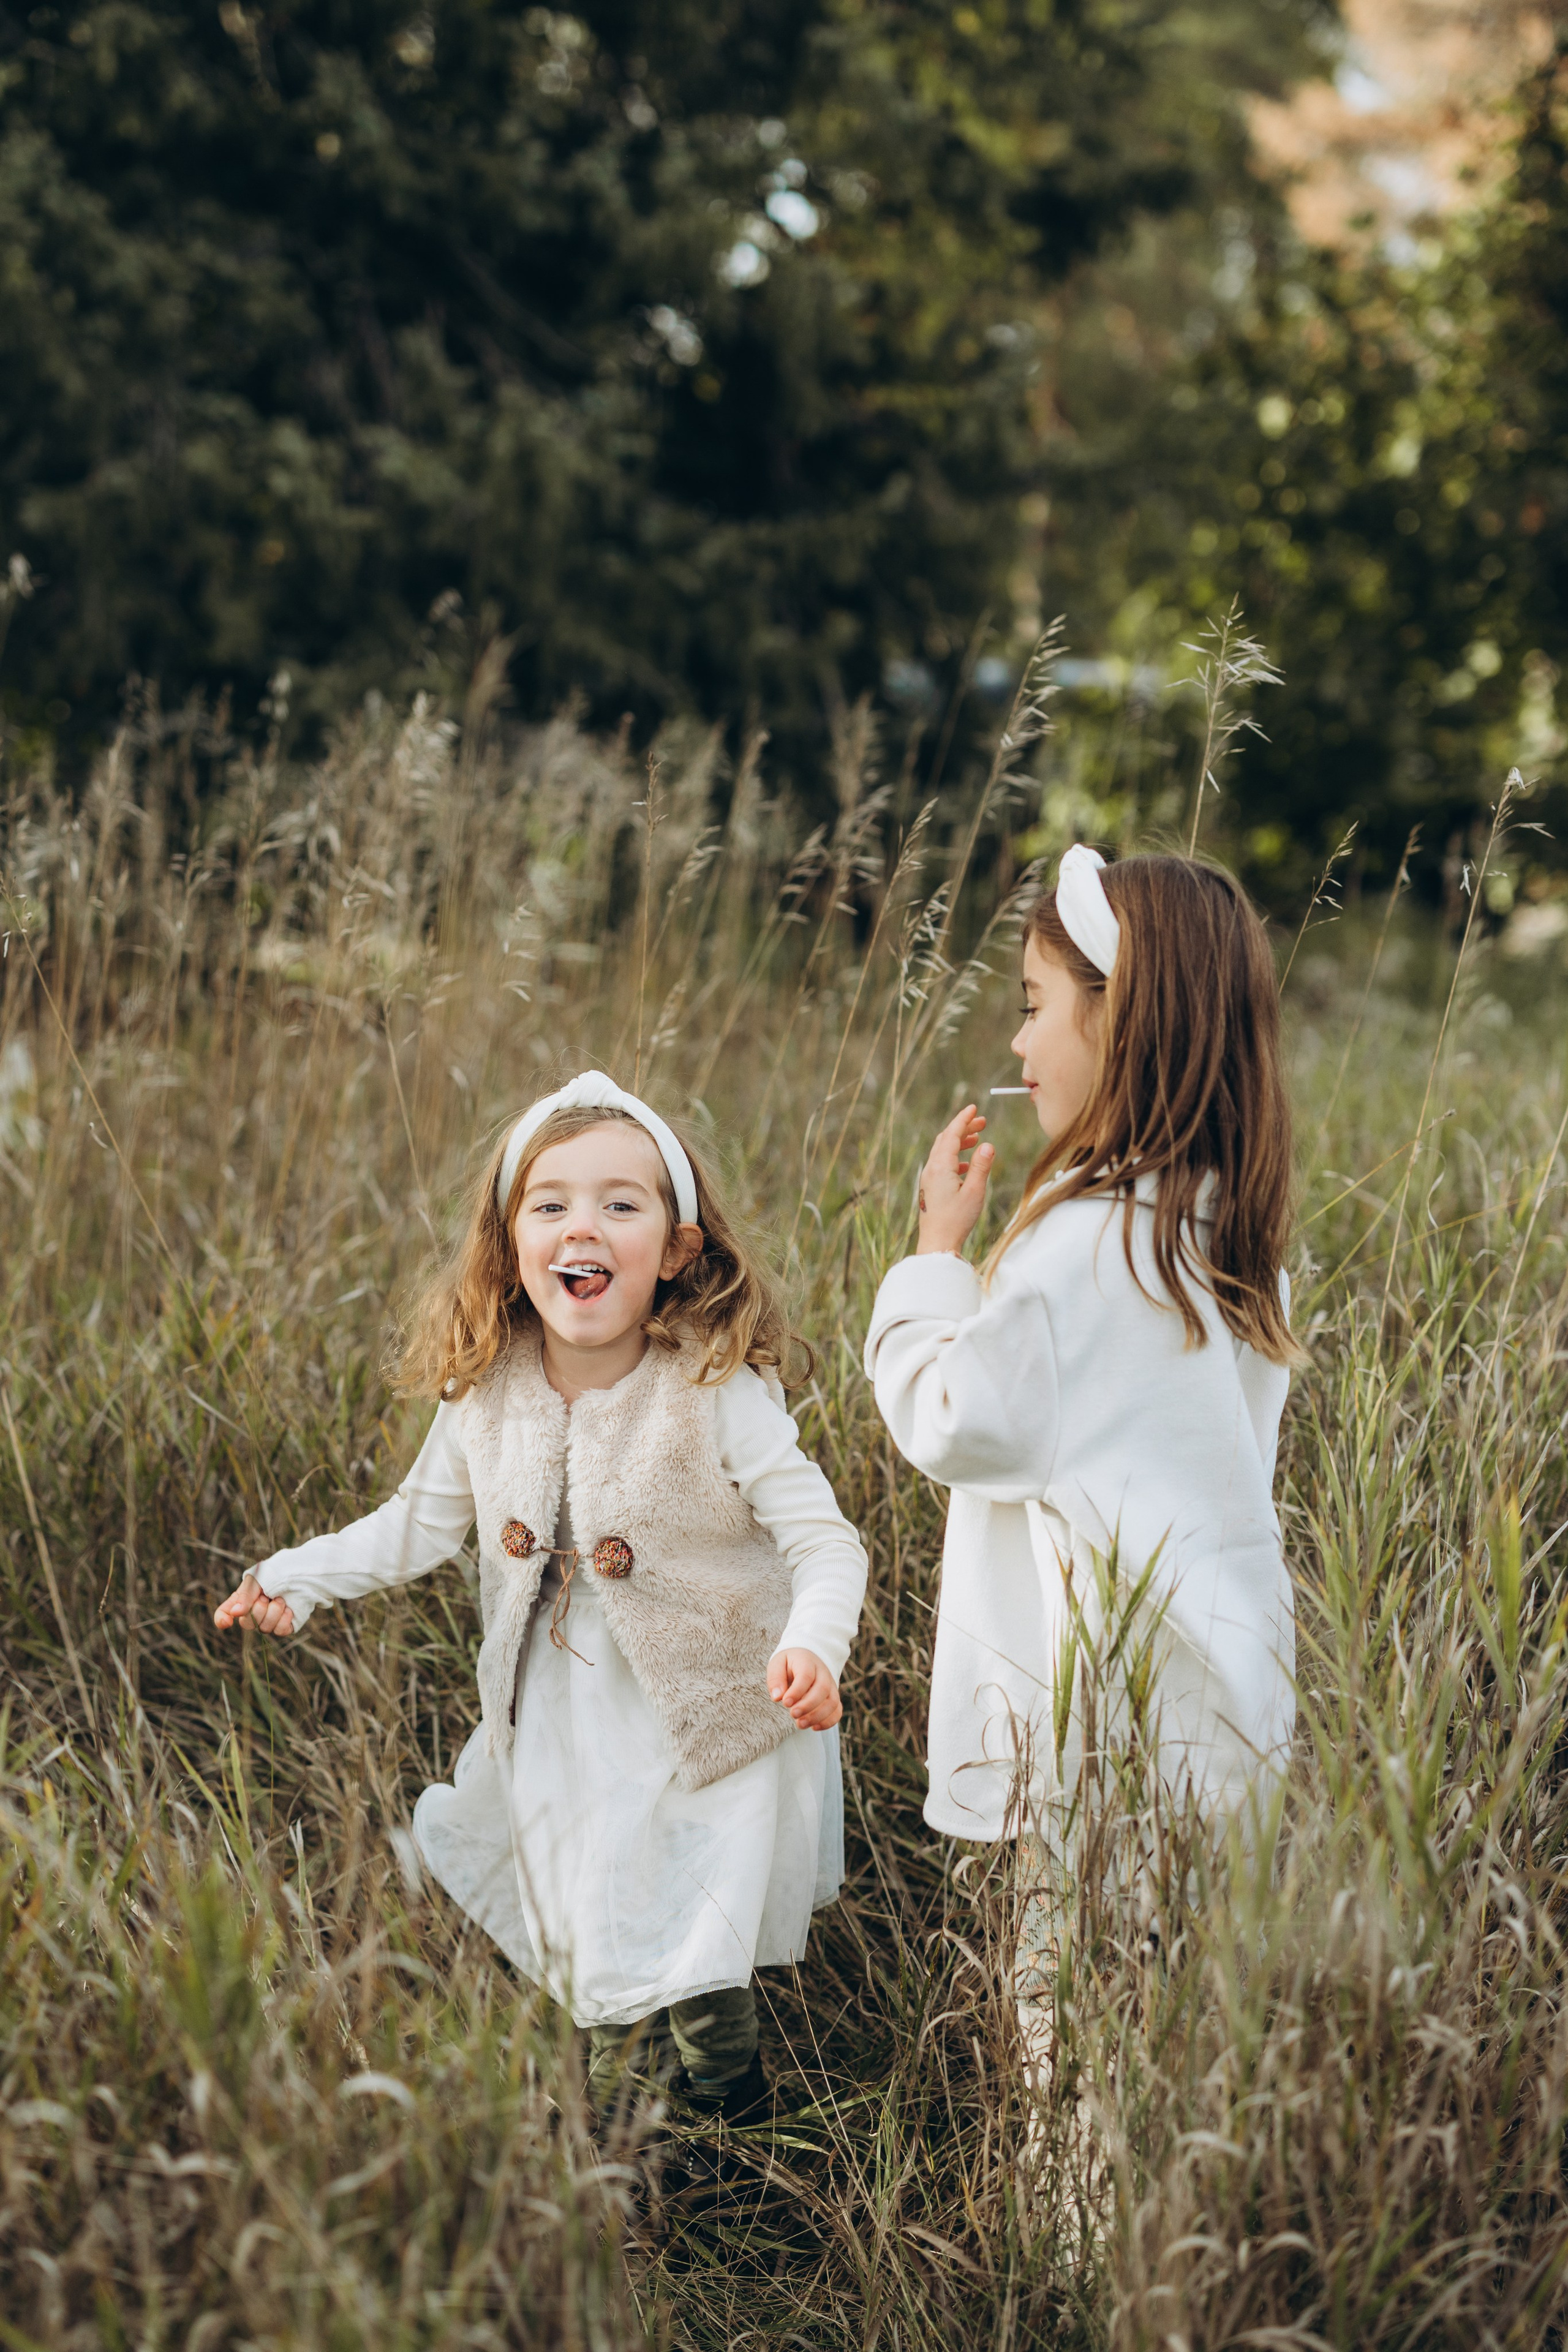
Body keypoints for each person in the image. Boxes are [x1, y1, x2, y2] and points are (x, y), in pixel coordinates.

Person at [216, 1071, 867, 2122]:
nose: (586, 1225)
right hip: (564, 1723)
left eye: (623, 1203)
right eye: (552, 1202)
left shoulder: (715, 1387)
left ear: (678, 1248)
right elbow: (414, 1524)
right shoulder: (488, 1386)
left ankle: (732, 2132)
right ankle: (628, 2150)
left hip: (709, 1710)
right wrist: (296, 1576)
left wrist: (816, 1647)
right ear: (510, 1243)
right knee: (594, 1941)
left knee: (699, 1945)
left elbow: (826, 1541)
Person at [864, 847, 1297, 2057]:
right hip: (1225, 1698)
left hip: (1101, 1722)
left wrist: (933, 1259)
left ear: (1121, 1020)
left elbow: (952, 1418)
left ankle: (1081, 2249)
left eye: (1031, 1007)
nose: (1015, 1049)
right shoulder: (1225, 1232)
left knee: (1083, 2020)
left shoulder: (1079, 1250)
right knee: (1194, 2015)